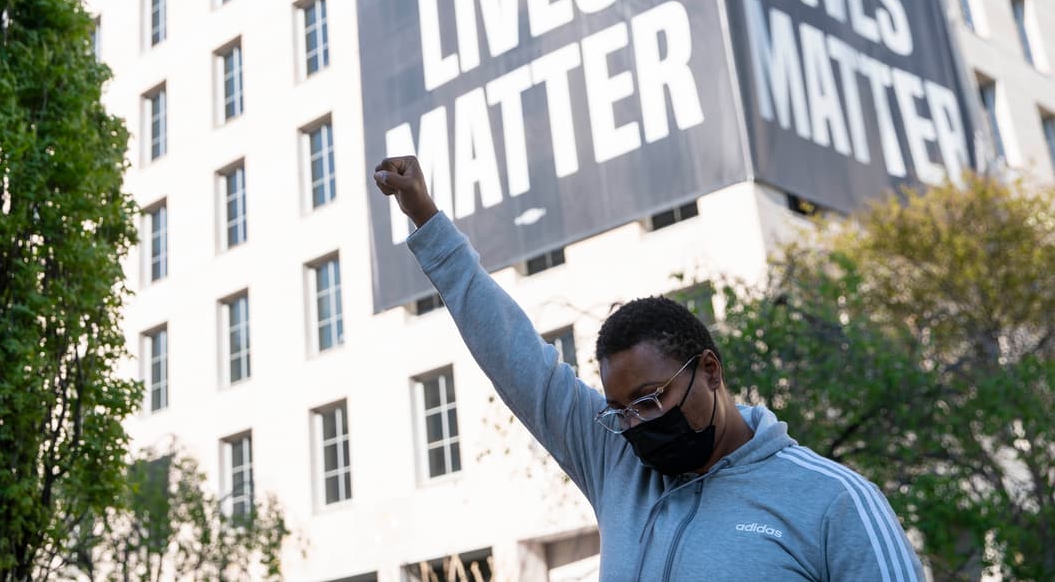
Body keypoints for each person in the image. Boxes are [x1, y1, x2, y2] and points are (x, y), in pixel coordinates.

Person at [373, 155, 924, 582]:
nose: (636, 423)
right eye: (619, 410)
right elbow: (514, 353)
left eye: (651, 399)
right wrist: (426, 219)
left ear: (709, 369)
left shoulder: (835, 501)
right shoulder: (617, 463)